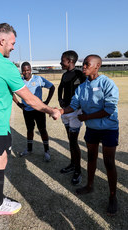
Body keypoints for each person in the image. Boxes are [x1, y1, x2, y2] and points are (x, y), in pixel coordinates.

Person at [0, 23, 61, 216]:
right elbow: (30, 99)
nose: (13, 47)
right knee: (0, 160)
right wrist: (51, 110)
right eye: (12, 43)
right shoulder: (6, 66)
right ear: (2, 41)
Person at [60, 55, 119, 216]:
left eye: (87, 64)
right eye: (83, 64)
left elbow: (109, 109)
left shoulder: (107, 83)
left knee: (108, 162)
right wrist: (60, 111)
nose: (83, 67)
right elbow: (73, 105)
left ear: (97, 65)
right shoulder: (82, 87)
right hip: (92, 129)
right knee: (91, 157)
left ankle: (113, 196)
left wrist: (86, 117)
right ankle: (89, 185)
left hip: (109, 129)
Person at [13, 62, 55, 162]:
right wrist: (19, 104)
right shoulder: (19, 81)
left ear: (31, 70)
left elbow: (52, 87)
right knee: (29, 130)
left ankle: (47, 151)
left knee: (42, 130)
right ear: (21, 71)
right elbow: (11, 91)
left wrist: (47, 101)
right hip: (27, 111)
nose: (26, 72)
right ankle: (29, 149)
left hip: (39, 110)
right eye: (23, 70)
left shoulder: (38, 79)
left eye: (27, 70)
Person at [58, 50, 86, 185]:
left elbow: (86, 91)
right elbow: (60, 88)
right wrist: (60, 100)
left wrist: (81, 107)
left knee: (74, 142)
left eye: (62, 60)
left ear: (70, 61)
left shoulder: (79, 74)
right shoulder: (64, 75)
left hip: (75, 112)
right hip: (65, 111)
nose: (60, 62)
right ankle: (72, 164)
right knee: (70, 140)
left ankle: (78, 170)